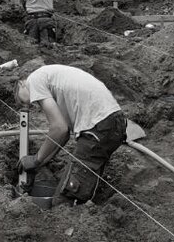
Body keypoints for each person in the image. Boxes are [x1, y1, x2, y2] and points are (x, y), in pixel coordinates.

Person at [16, 64, 128, 206]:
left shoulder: (34, 80)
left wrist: (35, 159)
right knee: (80, 193)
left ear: (21, 84)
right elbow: (63, 136)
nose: (28, 105)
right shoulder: (53, 80)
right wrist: (39, 164)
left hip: (99, 126)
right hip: (113, 123)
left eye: (21, 101)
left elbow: (59, 128)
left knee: (63, 202)